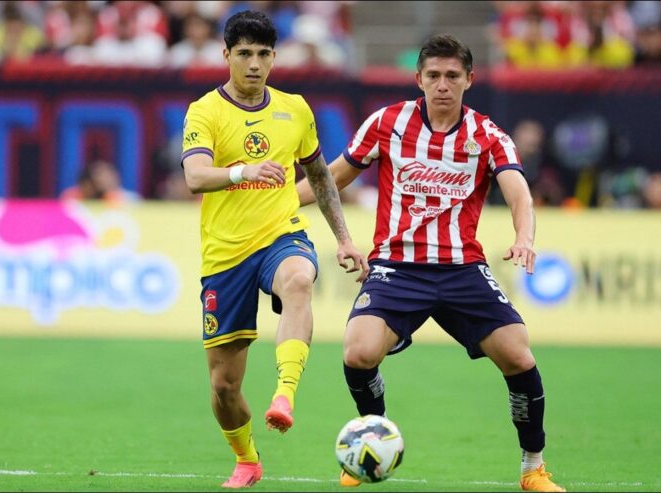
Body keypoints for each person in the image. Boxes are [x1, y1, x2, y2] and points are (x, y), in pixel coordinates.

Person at [297, 34, 565, 492]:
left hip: (462, 271)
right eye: (434, 75)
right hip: (396, 268)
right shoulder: (387, 123)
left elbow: (519, 193)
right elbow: (332, 177)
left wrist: (524, 237)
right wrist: (278, 204)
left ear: (469, 80)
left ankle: (533, 468)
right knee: (358, 352)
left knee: (520, 358)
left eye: (452, 76)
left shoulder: (487, 135)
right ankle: (374, 437)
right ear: (418, 78)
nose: (443, 84)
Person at [180, 10, 368, 489]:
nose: (254, 64)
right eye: (244, 53)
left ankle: (285, 394)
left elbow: (320, 177)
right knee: (224, 387)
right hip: (225, 256)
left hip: (281, 236)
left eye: (263, 54)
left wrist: (344, 238)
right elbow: (194, 177)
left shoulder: (295, 109)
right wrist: (243, 171)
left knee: (299, 279)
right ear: (226, 55)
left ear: (274, 57)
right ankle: (247, 459)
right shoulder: (205, 111)